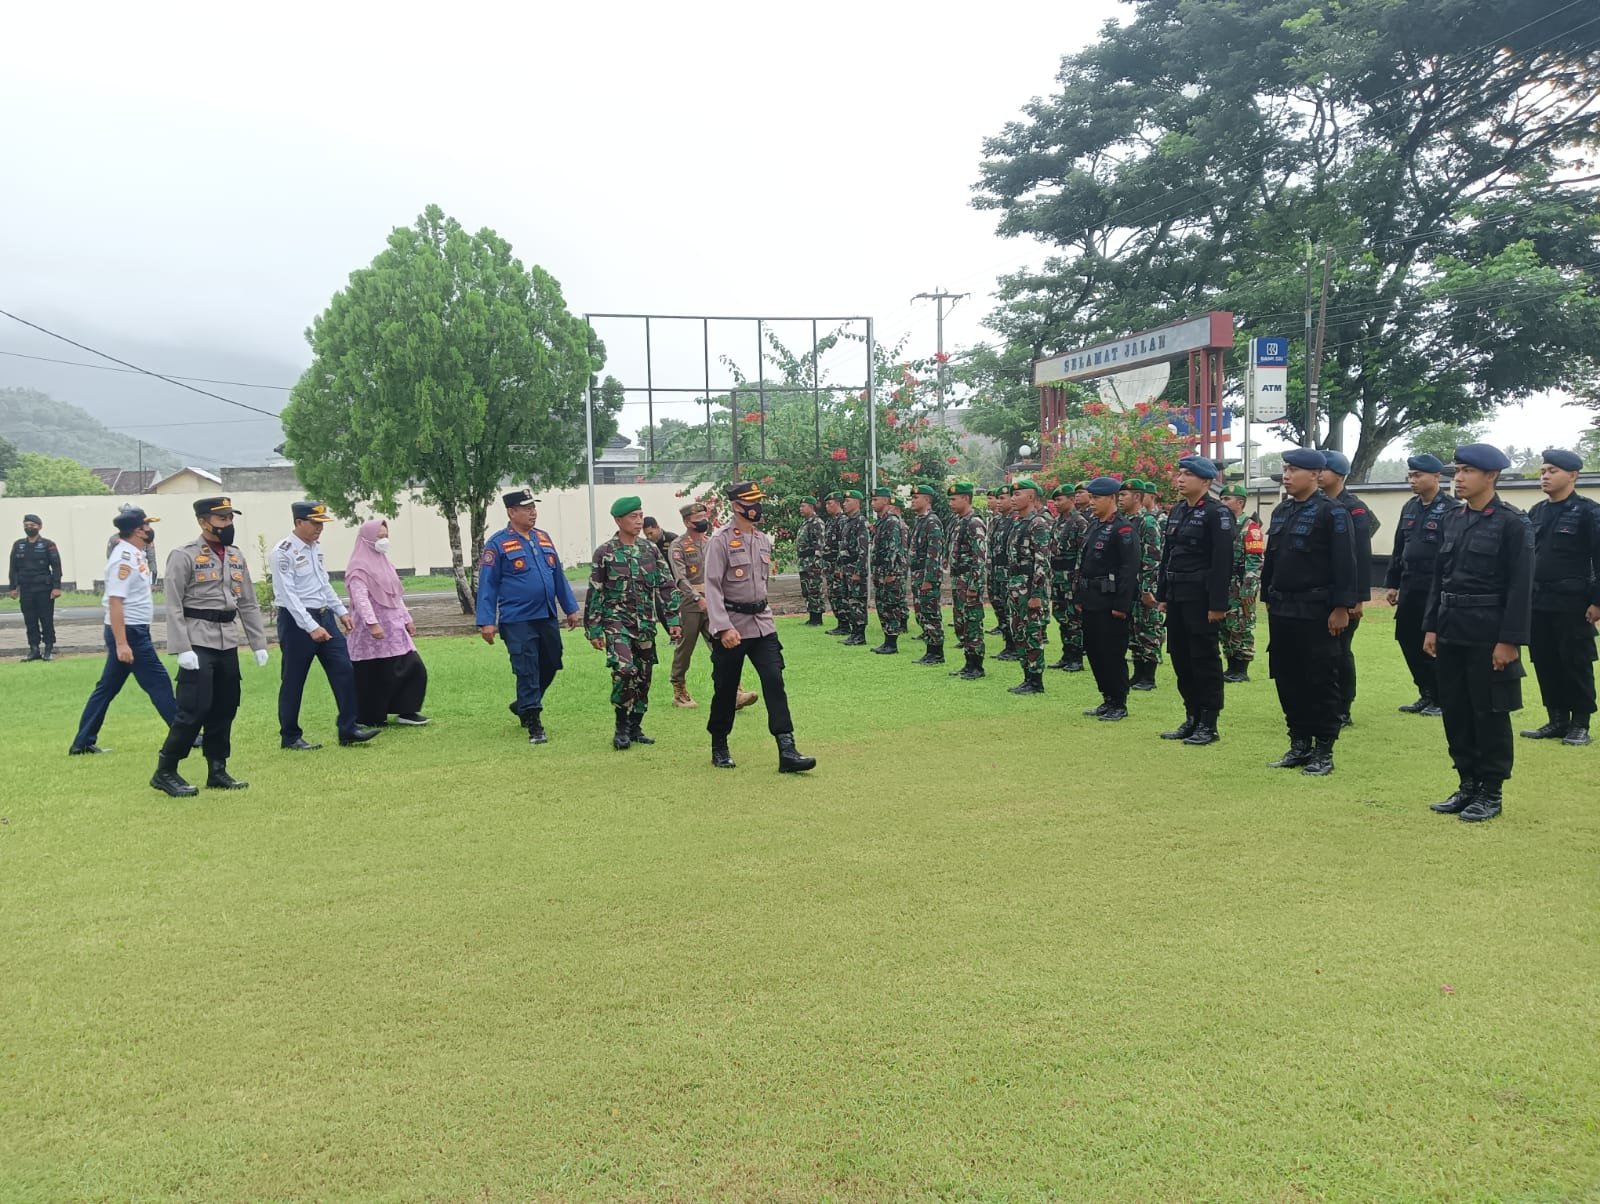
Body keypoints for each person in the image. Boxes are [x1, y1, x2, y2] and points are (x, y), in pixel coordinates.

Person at [1424, 443, 1535, 822]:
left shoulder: (1512, 523)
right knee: (1456, 710)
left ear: (1491, 476)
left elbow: (1521, 587)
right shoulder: (1453, 519)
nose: (1458, 477)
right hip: (1452, 627)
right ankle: (1467, 782)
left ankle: (1491, 790)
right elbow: (1440, 577)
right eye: (1457, 471)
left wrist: (1510, 641)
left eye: (1467, 471)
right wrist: (1432, 626)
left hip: (1488, 633)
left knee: (1488, 711)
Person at [152, 496, 271, 796]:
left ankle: (217, 769)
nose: (228, 524)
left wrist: (258, 643)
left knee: (225, 707)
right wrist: (183, 648)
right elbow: (174, 605)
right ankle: (166, 770)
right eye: (222, 519)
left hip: (227, 640)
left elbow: (248, 601)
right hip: (197, 640)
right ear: (203, 522)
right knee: (194, 708)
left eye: (230, 518)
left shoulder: (235, 555)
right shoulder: (184, 555)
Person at [702, 480, 815, 772]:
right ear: (738, 506)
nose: (758, 507)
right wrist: (723, 628)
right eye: (752, 502)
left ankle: (787, 749)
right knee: (726, 689)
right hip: (732, 625)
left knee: (774, 681)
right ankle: (719, 743)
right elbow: (712, 587)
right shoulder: (721, 540)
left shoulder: (763, 539)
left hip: (762, 624)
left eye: (758, 501)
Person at [1260, 449, 1358, 776]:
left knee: (1320, 680)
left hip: (1317, 610)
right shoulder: (1283, 510)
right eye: (1285, 469)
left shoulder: (1333, 513)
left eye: (1294, 469)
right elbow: (1273, 559)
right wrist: (1267, 596)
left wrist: (1342, 607)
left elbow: (1345, 563)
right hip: (1283, 608)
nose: (1286, 475)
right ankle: (1299, 743)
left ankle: (1324, 750)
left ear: (1316, 474)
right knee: (1288, 678)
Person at [477, 489, 582, 745]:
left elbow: (557, 575)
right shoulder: (498, 543)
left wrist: (570, 607)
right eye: (526, 508)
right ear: (512, 512)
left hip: (545, 614)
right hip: (517, 619)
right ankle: (534, 722)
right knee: (527, 669)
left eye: (534, 507)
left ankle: (523, 703)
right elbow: (488, 585)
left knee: (552, 661)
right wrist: (486, 620)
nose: (532, 512)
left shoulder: (542, 538)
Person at [69, 506, 177, 755]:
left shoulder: (134, 553)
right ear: (138, 530)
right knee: (159, 681)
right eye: (148, 526)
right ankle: (184, 732)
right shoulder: (123, 560)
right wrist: (121, 643)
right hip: (130, 632)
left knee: (106, 688)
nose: (151, 530)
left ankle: (82, 742)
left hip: (133, 630)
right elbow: (116, 601)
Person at [271, 501, 377, 750]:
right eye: (315, 523)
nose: (320, 528)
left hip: (324, 616)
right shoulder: (283, 552)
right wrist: (310, 626)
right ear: (299, 523)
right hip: (298, 622)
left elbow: (323, 583)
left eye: (322, 524)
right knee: (294, 679)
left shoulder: (315, 548)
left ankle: (348, 728)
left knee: (344, 670)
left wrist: (340, 611)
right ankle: (290, 736)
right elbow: (288, 595)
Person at [585, 496, 681, 750]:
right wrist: (594, 628)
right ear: (618, 520)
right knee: (624, 670)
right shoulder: (605, 553)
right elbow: (595, 591)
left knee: (644, 675)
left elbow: (666, 585)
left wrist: (673, 619)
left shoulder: (650, 550)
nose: (639, 521)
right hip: (616, 622)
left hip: (645, 623)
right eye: (633, 517)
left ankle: (636, 724)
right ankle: (621, 726)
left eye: (640, 516)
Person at [1520, 447, 1600, 747]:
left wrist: (1597, 601)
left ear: (1573, 475)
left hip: (1573, 602)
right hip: (1539, 601)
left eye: (1552, 471)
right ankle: (1556, 719)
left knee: (1575, 662)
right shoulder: (1538, 512)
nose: (1545, 476)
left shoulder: (1589, 512)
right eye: (1542, 471)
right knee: (1545, 660)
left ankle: (1580, 723)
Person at [1155, 456, 1234, 745]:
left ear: (1206, 481)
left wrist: (1217, 604)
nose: (1180, 478)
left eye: (1188, 474)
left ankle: (1209, 723)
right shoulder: (1177, 511)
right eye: (1180, 473)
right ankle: (1191, 717)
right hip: (1177, 596)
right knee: (1181, 658)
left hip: (1201, 599)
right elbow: (1168, 556)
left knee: (1204, 659)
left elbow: (1222, 562)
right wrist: (1163, 595)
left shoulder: (1217, 513)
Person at [665, 502, 760, 711]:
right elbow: (680, 578)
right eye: (698, 519)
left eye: (704, 518)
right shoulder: (678, 545)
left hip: (714, 603)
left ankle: (734, 692)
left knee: (723, 645)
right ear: (687, 522)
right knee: (685, 648)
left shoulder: (712, 543)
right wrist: (697, 597)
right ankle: (679, 690)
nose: (703, 523)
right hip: (690, 604)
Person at [1383, 454, 1459, 714]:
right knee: (1407, 637)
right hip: (1411, 583)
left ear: (1436, 477)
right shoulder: (1410, 507)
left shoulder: (1452, 508)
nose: (1412, 480)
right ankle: (1426, 692)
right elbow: (1399, 547)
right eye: (1411, 475)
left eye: (1418, 475)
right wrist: (1393, 583)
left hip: (1435, 586)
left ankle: (1441, 697)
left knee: (1434, 642)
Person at [344, 518, 429, 728]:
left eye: (385, 536)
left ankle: (407, 711)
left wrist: (407, 619)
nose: (384, 541)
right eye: (379, 537)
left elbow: (395, 594)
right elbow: (360, 598)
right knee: (374, 675)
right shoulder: (358, 567)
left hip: (394, 628)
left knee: (414, 668)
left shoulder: (385, 563)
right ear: (367, 540)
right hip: (370, 634)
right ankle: (371, 716)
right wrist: (372, 623)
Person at [1319, 450, 1378, 726]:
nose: (1319, 473)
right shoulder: (1316, 503)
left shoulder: (1354, 507)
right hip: (1320, 592)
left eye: (1325, 469)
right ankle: (1323, 703)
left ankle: (1343, 707)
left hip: (1346, 593)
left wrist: (1357, 598)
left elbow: (1362, 555)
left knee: (1340, 651)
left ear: (1340, 475)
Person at [1077, 477, 1138, 720]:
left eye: (1097, 498)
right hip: (1091, 598)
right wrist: (1079, 596)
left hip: (1111, 601)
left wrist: (1122, 605)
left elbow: (1129, 569)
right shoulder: (1094, 525)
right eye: (1090, 498)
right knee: (1094, 651)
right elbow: (1084, 564)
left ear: (1111, 498)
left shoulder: (1123, 528)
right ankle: (1107, 697)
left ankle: (1119, 702)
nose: (1092, 502)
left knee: (1112, 653)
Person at [1004, 479, 1052, 694]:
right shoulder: (1017, 523)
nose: (1013, 498)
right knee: (1019, 632)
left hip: (1029, 587)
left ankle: (1036, 679)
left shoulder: (1038, 524)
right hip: (1015, 586)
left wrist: (1037, 594)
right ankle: (1027, 676)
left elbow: (1042, 562)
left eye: (1018, 494)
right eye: (1012, 495)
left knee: (1032, 633)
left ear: (1031, 497)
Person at [1120, 479, 1164, 690]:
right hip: (1129, 585)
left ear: (1137, 497)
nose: (1120, 499)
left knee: (1148, 629)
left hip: (1145, 584)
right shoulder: (1124, 521)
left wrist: (1147, 589)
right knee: (1134, 630)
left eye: (1124, 496)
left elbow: (1153, 558)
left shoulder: (1147, 522)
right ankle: (1138, 673)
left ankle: (1148, 676)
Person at [1220, 484, 1265, 682]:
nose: (1223, 503)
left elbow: (1255, 561)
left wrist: (1248, 589)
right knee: (1226, 625)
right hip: (1224, 582)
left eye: (1227, 499)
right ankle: (1231, 665)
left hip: (1241, 583)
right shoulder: (1223, 524)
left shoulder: (1250, 527)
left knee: (1242, 624)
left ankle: (1241, 668)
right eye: (1222, 499)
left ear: (1240, 502)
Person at [945, 481, 989, 680]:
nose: (951, 503)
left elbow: (979, 557)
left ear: (965, 498)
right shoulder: (958, 521)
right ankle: (968, 662)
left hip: (969, 580)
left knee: (972, 622)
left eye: (954, 499)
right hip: (958, 579)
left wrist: (974, 585)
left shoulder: (974, 522)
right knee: (961, 621)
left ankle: (976, 666)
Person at [8, 512, 62, 661]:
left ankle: (49, 649)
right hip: (26, 589)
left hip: (44, 589)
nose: (29, 528)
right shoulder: (18, 545)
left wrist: (56, 587)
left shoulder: (48, 545)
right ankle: (34, 649)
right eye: (26, 526)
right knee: (30, 621)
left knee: (46, 620)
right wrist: (13, 587)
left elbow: (56, 567)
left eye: (32, 525)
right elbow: (13, 568)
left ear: (40, 527)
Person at [1047, 485, 1087, 672]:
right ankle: (1066, 654)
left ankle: (1076, 657)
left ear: (1071, 499)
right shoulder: (1057, 521)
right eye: (1055, 500)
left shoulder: (1079, 522)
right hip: (1057, 577)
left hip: (1071, 577)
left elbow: (1082, 553)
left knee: (1073, 618)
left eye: (1059, 500)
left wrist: (1078, 580)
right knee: (1061, 615)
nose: (1056, 503)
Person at [907, 484, 948, 664]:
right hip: (918, 573)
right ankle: (930, 649)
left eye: (916, 498)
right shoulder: (920, 520)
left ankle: (936, 652)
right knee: (922, 612)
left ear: (927, 500)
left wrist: (929, 579)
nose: (913, 501)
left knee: (931, 613)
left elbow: (934, 553)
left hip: (926, 576)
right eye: (912, 498)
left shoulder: (932, 521)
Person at [868, 487, 910, 654]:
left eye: (876, 500)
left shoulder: (892, 521)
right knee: (882, 605)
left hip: (890, 572)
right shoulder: (882, 521)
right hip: (881, 571)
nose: (873, 503)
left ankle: (892, 643)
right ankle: (887, 641)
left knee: (891, 606)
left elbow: (894, 549)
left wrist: (891, 573)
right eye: (872, 500)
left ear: (886, 501)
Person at [837, 490, 871, 645]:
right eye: (844, 501)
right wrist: (840, 567)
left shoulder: (860, 522)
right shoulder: (847, 521)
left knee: (857, 601)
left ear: (857, 503)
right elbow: (842, 546)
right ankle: (853, 632)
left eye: (848, 501)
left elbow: (864, 550)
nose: (844, 504)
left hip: (855, 567)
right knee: (849, 600)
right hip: (846, 567)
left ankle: (860, 634)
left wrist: (859, 571)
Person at [987, 486, 1014, 649]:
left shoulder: (1016, 520)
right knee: (999, 607)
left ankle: (1013, 645)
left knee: (1010, 609)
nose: (998, 502)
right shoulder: (997, 521)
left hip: (1008, 573)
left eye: (1002, 498)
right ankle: (1007, 641)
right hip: (995, 571)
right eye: (997, 498)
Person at [795, 496, 827, 625]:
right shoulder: (806, 523)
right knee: (807, 590)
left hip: (813, 563)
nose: (801, 509)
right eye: (801, 506)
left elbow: (820, 545)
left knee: (815, 590)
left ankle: (817, 618)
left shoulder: (817, 523)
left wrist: (816, 562)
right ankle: (812, 616)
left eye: (804, 506)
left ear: (811, 507)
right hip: (804, 562)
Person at [822, 492, 847, 634]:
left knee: (839, 593)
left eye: (829, 503)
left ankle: (845, 623)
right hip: (829, 564)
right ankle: (840, 622)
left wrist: (839, 566)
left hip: (837, 564)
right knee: (832, 593)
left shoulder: (842, 520)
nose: (827, 506)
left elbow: (842, 546)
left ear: (838, 503)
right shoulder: (831, 521)